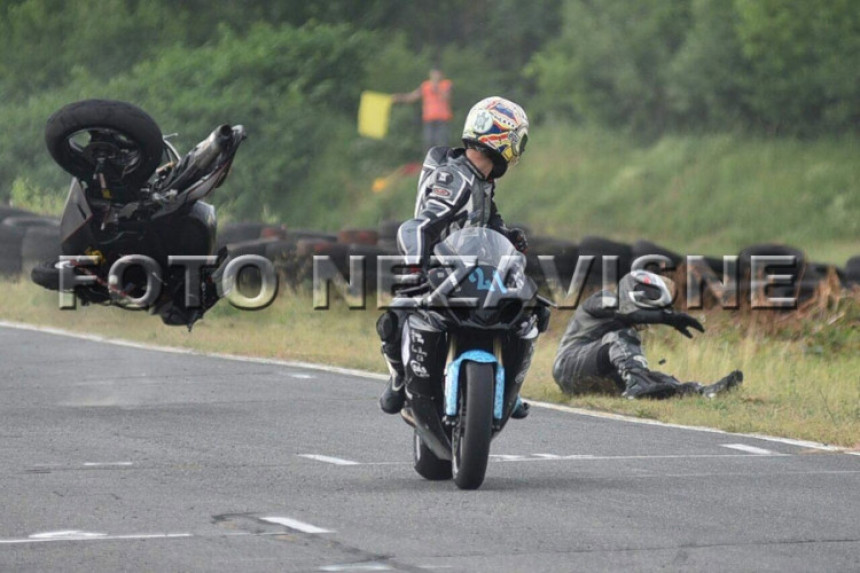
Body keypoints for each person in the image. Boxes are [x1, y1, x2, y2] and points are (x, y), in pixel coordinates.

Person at [377, 96, 542, 418]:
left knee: (529, 314)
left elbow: (488, 222)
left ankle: (507, 387)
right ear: (502, 138)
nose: (518, 149)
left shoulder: (482, 181)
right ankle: (398, 379)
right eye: (518, 139)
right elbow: (419, 226)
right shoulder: (453, 177)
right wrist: (415, 269)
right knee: (396, 315)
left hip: (475, 273)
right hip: (440, 273)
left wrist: (509, 237)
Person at [553, 270, 743, 399]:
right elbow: (627, 312)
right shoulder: (604, 299)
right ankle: (637, 386)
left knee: (659, 381)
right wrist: (670, 318)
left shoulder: (625, 325)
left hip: (595, 378)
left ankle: (701, 391)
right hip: (567, 366)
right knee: (622, 337)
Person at [392, 69, 453, 149]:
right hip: (429, 119)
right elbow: (412, 97)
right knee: (428, 142)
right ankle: (430, 160)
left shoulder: (446, 84)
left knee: (442, 142)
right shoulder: (425, 86)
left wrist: (437, 88)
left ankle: (443, 160)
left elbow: (447, 97)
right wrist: (399, 98)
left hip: (442, 119)